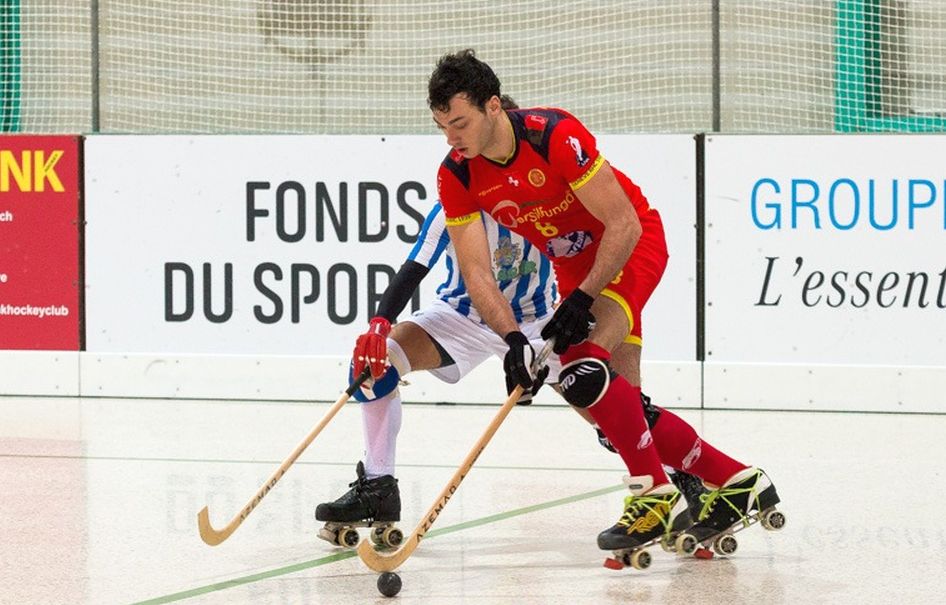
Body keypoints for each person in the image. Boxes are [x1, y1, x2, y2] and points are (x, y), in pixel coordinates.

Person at [428, 49, 781, 555]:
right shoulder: (457, 174)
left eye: (458, 123)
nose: (451, 138)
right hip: (573, 266)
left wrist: (583, 299)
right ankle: (737, 481)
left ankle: (654, 495)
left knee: (583, 370)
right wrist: (512, 342)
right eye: (442, 127)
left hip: (631, 246)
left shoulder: (553, 135)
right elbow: (477, 271)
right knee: (620, 412)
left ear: (491, 107)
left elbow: (624, 224)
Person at [314, 99, 707, 546]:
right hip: (462, 316)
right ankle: (378, 488)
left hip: (539, 319)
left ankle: (681, 475)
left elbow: (606, 231)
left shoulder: (548, 193)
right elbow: (414, 268)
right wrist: (380, 322)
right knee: (380, 361)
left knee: (604, 400)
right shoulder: (457, 197)